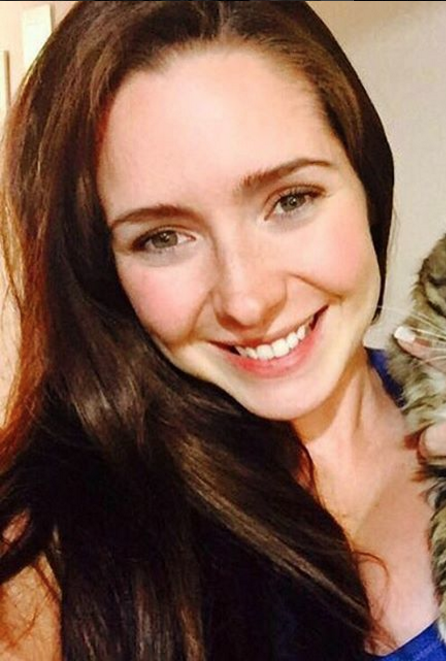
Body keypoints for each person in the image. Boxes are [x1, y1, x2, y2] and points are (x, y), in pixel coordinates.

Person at [0, 1, 444, 659]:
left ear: (367, 182)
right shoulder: (52, 559)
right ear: (103, 271)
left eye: (291, 200)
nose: (248, 299)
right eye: (162, 237)